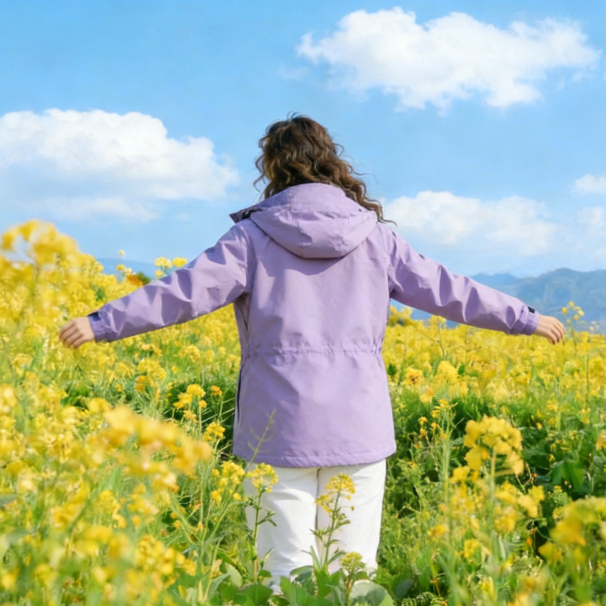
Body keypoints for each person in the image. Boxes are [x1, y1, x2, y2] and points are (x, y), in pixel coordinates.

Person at [59, 114, 566, 589]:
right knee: (353, 571)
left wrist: (101, 323)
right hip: (359, 424)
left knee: (282, 572)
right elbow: (450, 290)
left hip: (276, 428)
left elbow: (181, 293)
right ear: (330, 161)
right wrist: (524, 318)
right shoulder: (377, 239)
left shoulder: (250, 237)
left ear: (274, 168)